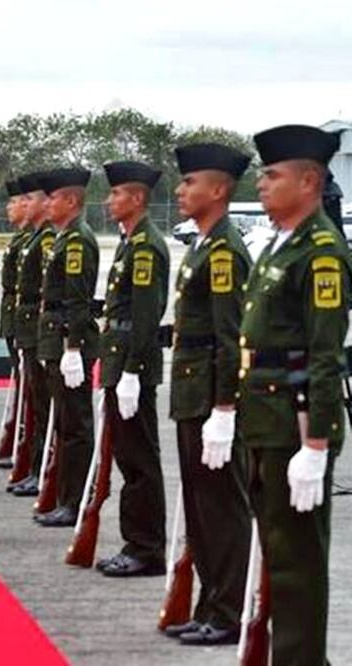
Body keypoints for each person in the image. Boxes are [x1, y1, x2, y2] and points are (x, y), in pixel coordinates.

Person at [238, 124, 347, 663]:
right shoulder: (280, 243)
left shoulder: (320, 252)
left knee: (296, 564)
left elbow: (322, 356)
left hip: (293, 427)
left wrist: (316, 444)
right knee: (278, 555)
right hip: (266, 420)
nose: (261, 183)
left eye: (273, 175)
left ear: (308, 182)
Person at [161, 143, 253, 645]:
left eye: (189, 182)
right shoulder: (203, 244)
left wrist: (225, 407)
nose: (180, 190)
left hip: (210, 397)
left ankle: (227, 611)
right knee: (201, 506)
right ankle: (209, 603)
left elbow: (230, 336)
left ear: (217, 190)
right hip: (192, 392)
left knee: (221, 508)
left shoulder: (224, 252)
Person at [92, 161, 170, 577]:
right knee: (129, 457)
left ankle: (145, 548)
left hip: (131, 363)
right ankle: (137, 543)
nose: (109, 200)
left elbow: (144, 314)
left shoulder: (145, 246)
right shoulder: (130, 242)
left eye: (116, 193)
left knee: (139, 460)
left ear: (137, 198)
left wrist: (133, 371)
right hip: (120, 358)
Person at [33, 167, 99, 527]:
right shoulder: (64, 238)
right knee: (64, 423)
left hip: (68, 342)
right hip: (56, 339)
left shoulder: (77, 241)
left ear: (71, 201)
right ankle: (64, 497)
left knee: (75, 426)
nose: (48, 204)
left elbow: (77, 300)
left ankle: (75, 501)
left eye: (54, 198)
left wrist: (73, 347)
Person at [8, 172, 56, 497]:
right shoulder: (34, 238)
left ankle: (44, 470)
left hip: (39, 327)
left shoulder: (48, 239)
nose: (21, 205)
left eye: (28, 199)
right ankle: (36, 467)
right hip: (27, 322)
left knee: (44, 404)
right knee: (35, 401)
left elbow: (46, 289)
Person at [0, 179, 30, 467]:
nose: (9, 207)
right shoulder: (22, 238)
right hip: (15, 315)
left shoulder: (35, 240)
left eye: (14, 201)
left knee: (30, 388)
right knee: (22, 380)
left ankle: (26, 445)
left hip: (26, 320)